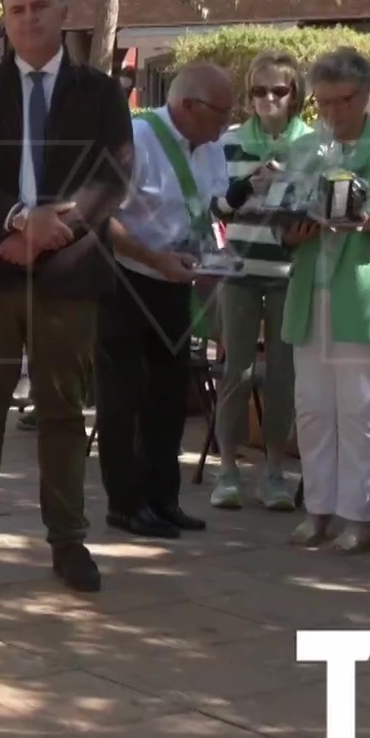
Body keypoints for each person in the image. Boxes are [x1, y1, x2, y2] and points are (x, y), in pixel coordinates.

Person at [0, 0, 132, 592]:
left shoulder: (100, 93)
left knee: (62, 412)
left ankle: (68, 541)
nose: (28, 19)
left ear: (64, 11)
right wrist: (22, 221)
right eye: (16, 10)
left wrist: (56, 229)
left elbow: (114, 177)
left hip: (69, 275)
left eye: (39, 7)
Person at [279, 48, 370, 554]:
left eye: (343, 101)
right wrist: (289, 232)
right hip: (310, 292)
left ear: (365, 95)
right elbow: (284, 210)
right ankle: (318, 509)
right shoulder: (305, 147)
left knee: (359, 411)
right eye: (323, 103)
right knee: (312, 408)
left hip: (364, 296)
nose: (333, 112)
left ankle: (360, 518)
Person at [97, 63, 235, 540]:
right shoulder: (134, 140)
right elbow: (100, 217)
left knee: (169, 395)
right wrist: (153, 258)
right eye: (221, 112)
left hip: (176, 282)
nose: (227, 123)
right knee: (123, 397)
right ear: (188, 106)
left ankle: (163, 498)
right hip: (126, 281)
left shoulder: (211, 148)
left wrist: (214, 259)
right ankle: (125, 504)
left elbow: (207, 211)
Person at [207, 51, 306, 511]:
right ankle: (227, 471)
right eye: (259, 90)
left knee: (284, 377)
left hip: (290, 274)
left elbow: (320, 208)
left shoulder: (312, 145)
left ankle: (274, 473)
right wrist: (246, 186)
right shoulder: (230, 142)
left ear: (295, 95)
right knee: (237, 373)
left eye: (279, 90)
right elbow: (216, 208)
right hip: (240, 272)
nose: (268, 99)